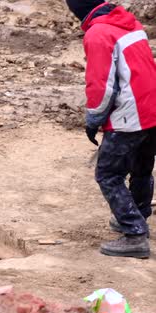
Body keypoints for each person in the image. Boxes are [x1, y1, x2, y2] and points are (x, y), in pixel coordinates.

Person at [66, 0, 156, 258]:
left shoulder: (98, 34)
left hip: (131, 114)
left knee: (108, 174)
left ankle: (134, 232)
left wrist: (94, 119)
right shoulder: (131, 23)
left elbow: (102, 86)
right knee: (142, 167)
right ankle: (137, 216)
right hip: (152, 107)